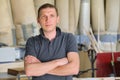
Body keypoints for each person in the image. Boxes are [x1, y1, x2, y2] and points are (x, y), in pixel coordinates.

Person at [24, 3, 80, 80]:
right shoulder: (32, 42)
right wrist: (57, 62)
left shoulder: (68, 38)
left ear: (57, 19)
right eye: (44, 16)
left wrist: (41, 66)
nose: (48, 20)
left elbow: (74, 69)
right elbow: (29, 71)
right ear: (38, 20)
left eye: (52, 16)